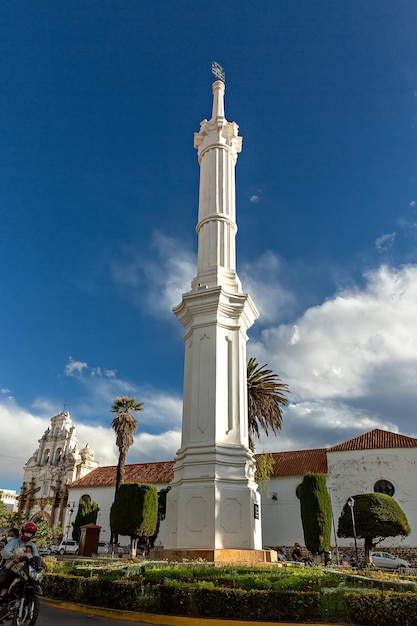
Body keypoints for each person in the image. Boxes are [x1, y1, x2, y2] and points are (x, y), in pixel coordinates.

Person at [0, 522, 41, 602]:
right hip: (12, 568)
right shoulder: (14, 542)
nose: (28, 534)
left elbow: (36, 556)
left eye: (30, 533)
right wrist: (12, 556)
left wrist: (39, 564)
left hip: (25, 570)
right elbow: (4, 551)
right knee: (3, 576)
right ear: (22, 531)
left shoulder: (32, 545)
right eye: (27, 532)